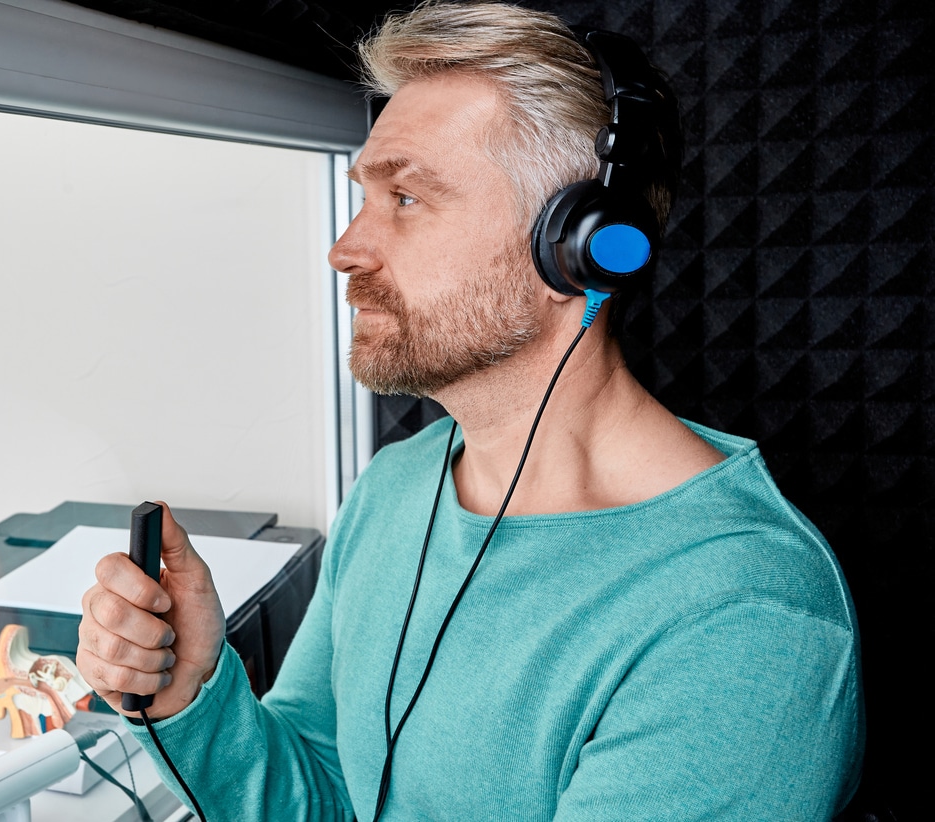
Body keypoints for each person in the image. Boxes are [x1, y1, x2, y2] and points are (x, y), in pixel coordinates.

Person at [75, 2, 864, 819]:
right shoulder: (397, 485)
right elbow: (328, 792)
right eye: (365, 197)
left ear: (581, 243)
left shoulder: (740, 616)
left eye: (407, 199)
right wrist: (192, 693)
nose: (344, 248)